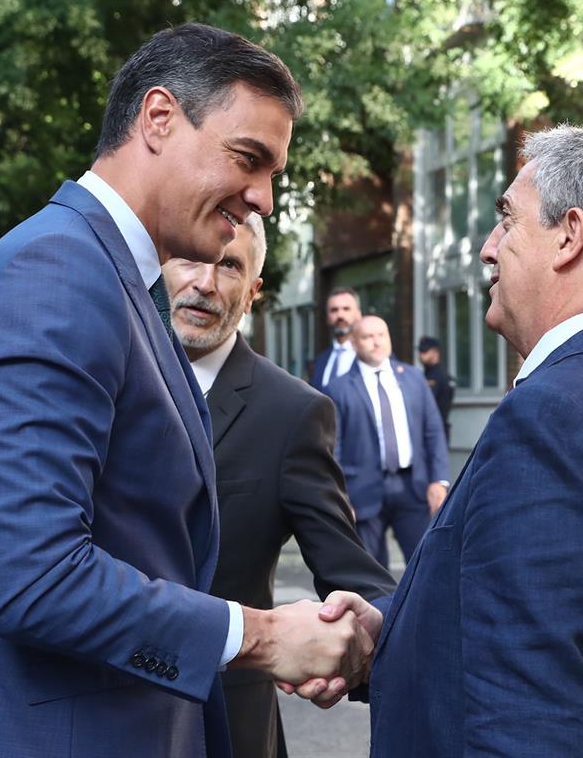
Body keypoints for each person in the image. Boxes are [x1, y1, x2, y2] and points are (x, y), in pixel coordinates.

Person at [0, 24, 374, 758]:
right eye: (249, 159)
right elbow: (34, 579)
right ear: (158, 118)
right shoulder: (56, 274)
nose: (264, 198)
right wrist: (264, 638)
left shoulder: (112, 280)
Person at [321, 126, 583, 755]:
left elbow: (528, 709)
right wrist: (389, 628)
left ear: (569, 235)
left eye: (507, 220)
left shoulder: (553, 413)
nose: (486, 247)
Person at [162, 214, 397, 758]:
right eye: (191, 258)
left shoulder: (292, 412)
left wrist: (357, 642)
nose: (205, 281)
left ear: (251, 294)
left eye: (229, 266)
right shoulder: (104, 377)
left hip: (223, 725)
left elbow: (356, 575)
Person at [325, 315, 449, 569]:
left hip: (412, 487)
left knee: (425, 565)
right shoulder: (338, 389)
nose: (376, 342)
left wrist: (439, 479)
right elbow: (333, 447)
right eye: (368, 337)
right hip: (363, 492)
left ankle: (419, 610)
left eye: (381, 335)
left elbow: (433, 431)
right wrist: (339, 496)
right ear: (354, 343)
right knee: (371, 573)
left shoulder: (414, 379)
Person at [310, 288, 362, 390]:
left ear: (358, 314)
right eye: (334, 310)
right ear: (327, 317)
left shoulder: (374, 357)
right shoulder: (320, 361)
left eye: (346, 309)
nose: (340, 315)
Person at [416, 336, 456, 443]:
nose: (421, 355)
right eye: (420, 351)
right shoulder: (427, 374)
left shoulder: (439, 376)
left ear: (435, 353)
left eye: (425, 351)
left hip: (435, 431)